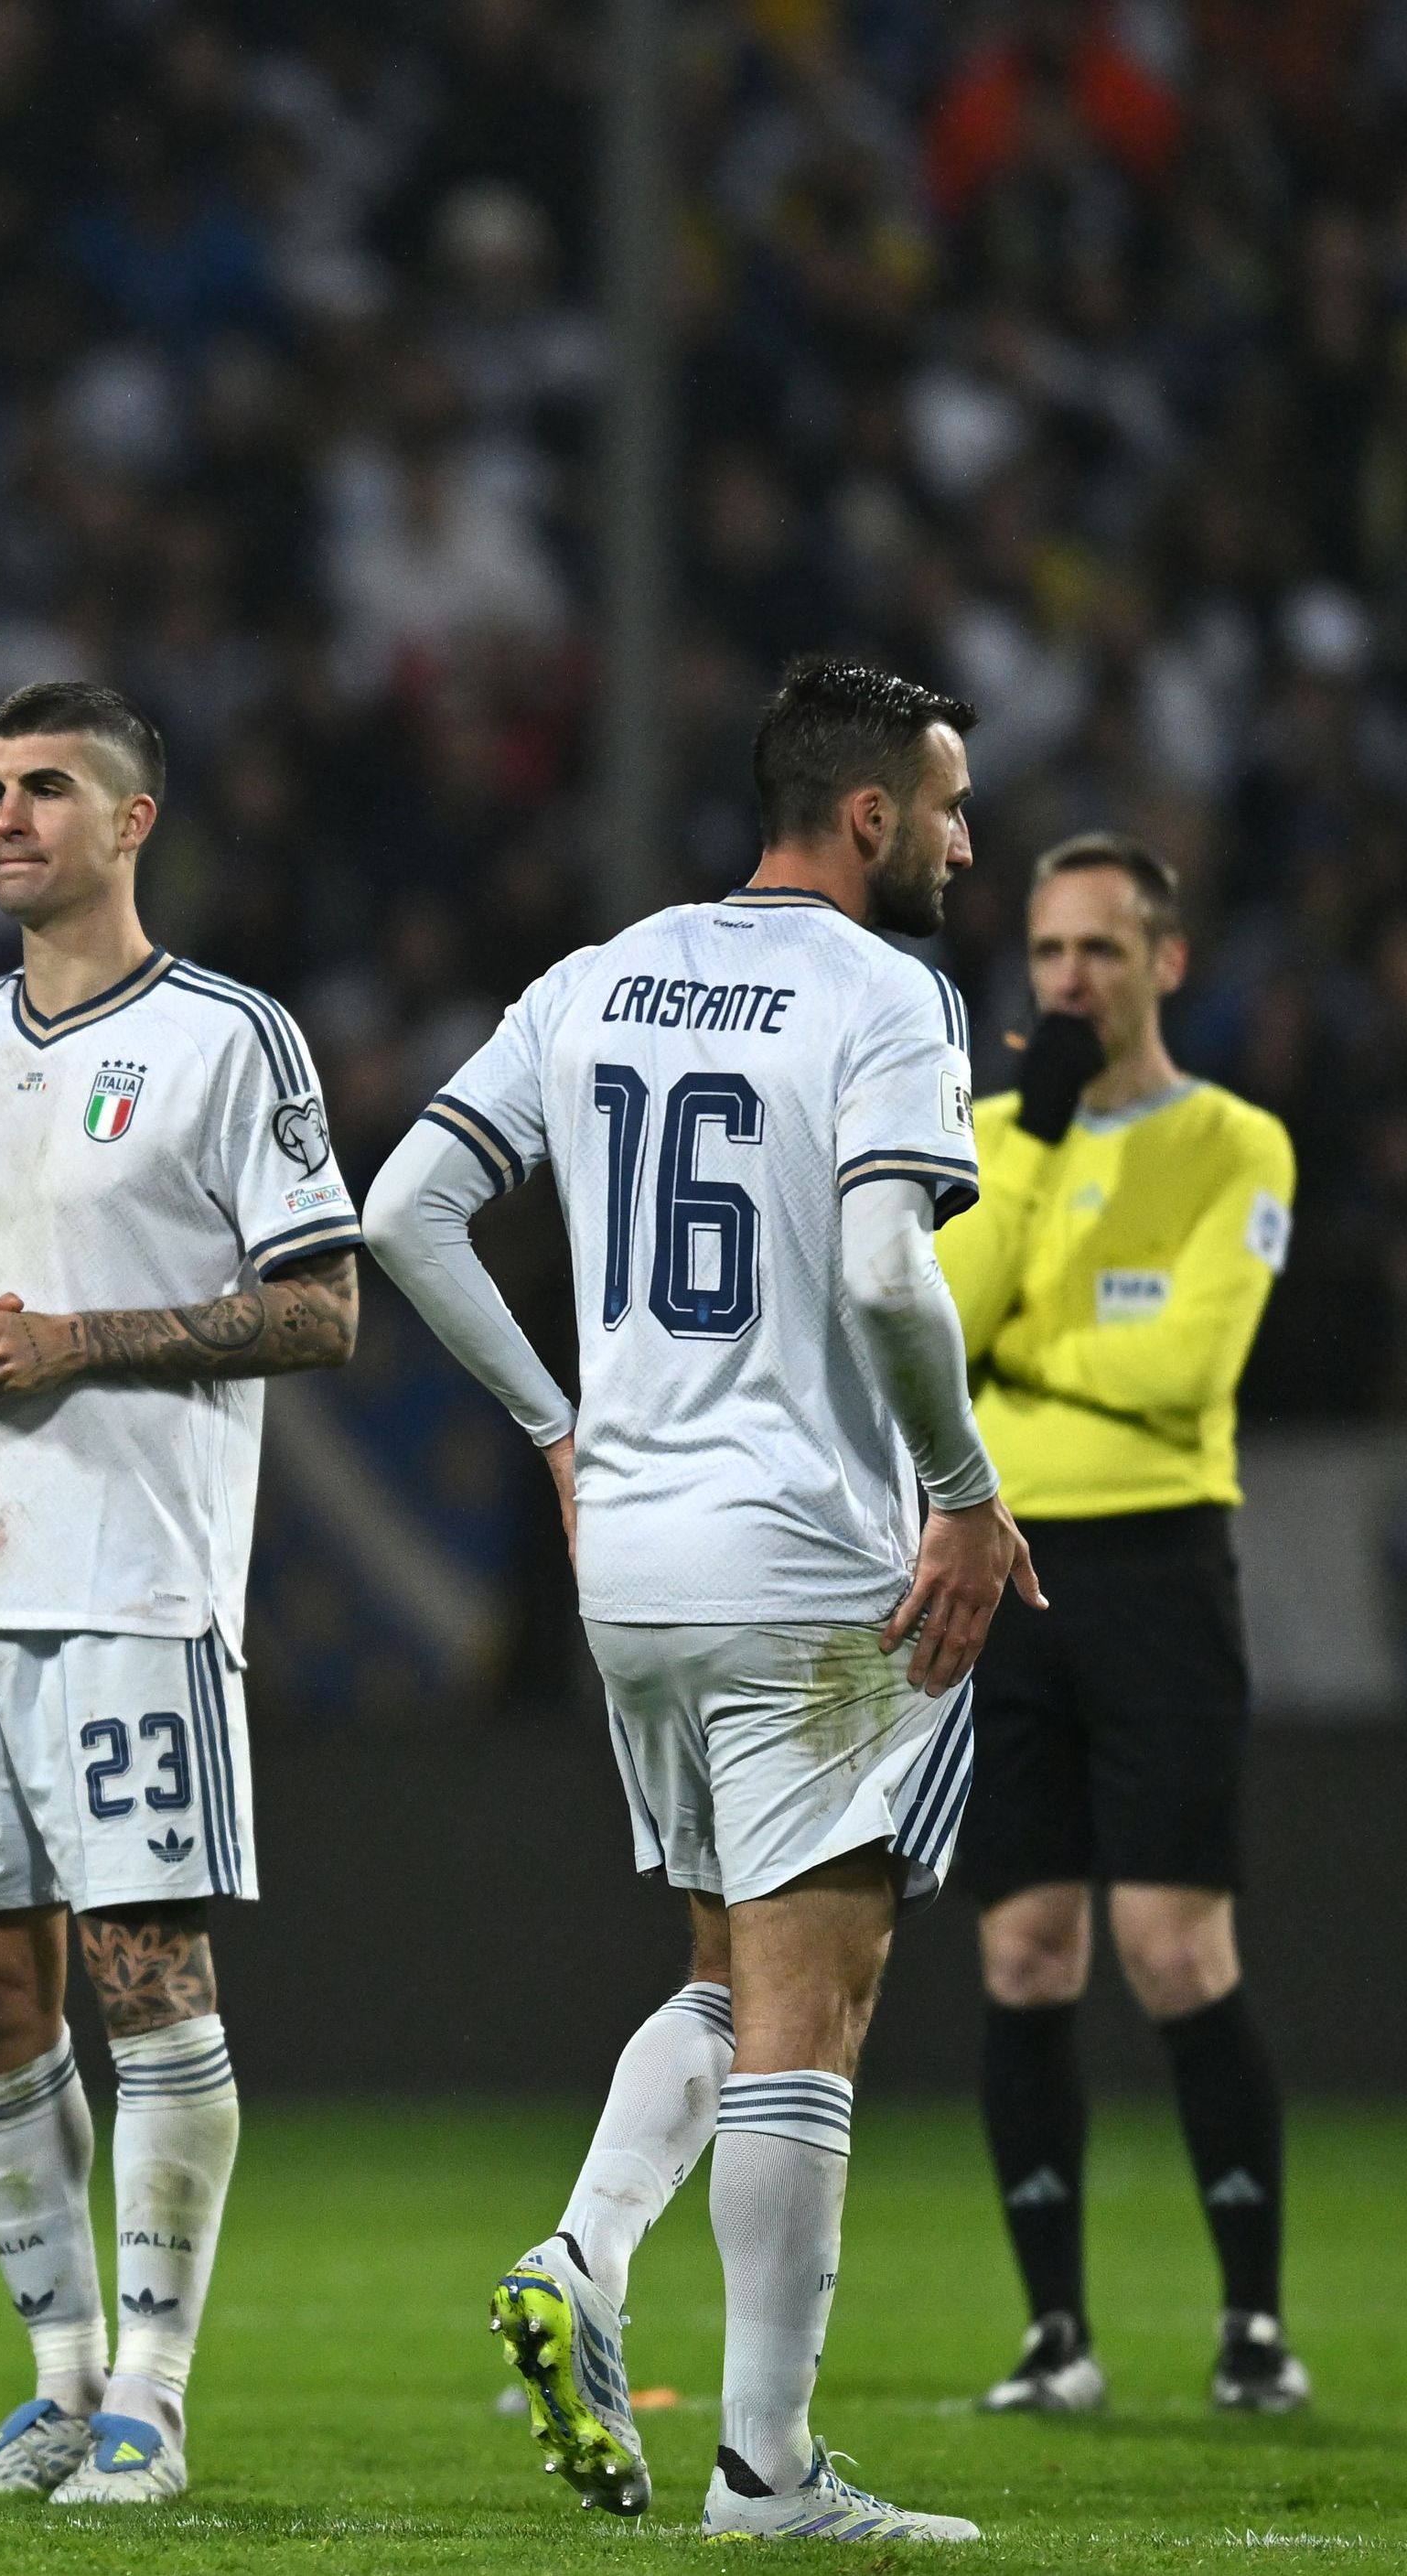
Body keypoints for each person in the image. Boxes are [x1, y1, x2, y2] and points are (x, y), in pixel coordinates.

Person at [368, 653, 1033, 2540]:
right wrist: (968, 1495)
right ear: (873, 814)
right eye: (955, 806)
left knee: (724, 1974)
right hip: (810, 1558)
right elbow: (895, 1277)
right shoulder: (890, 992)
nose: (970, 843)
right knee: (813, 2006)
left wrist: (558, 1431)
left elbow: (406, 1205)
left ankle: (587, 2250)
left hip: (634, 1560)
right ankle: (768, 2469)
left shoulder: (601, 973)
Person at [0, 681, 364, 2507]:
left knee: (147, 1973)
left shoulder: (233, 1040)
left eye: (46, 788)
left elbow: (325, 1304)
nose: (5, 818)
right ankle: (57, 2383)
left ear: (135, 820)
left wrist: (80, 1337)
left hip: (137, 1575)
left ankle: (152, 2388)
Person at [938, 835, 1308, 2417]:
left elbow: (1188, 1380)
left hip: (1159, 1570)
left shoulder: (1238, 1145)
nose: (1068, 981)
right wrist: (1024, 1151)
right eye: (1047, 953)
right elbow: (945, 1333)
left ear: (1167, 962)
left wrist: (1028, 1364)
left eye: (1099, 951)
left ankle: (1250, 2328)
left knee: (1172, 1950)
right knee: (1024, 1955)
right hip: (1006, 1574)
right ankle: (1056, 2338)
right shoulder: (989, 1134)